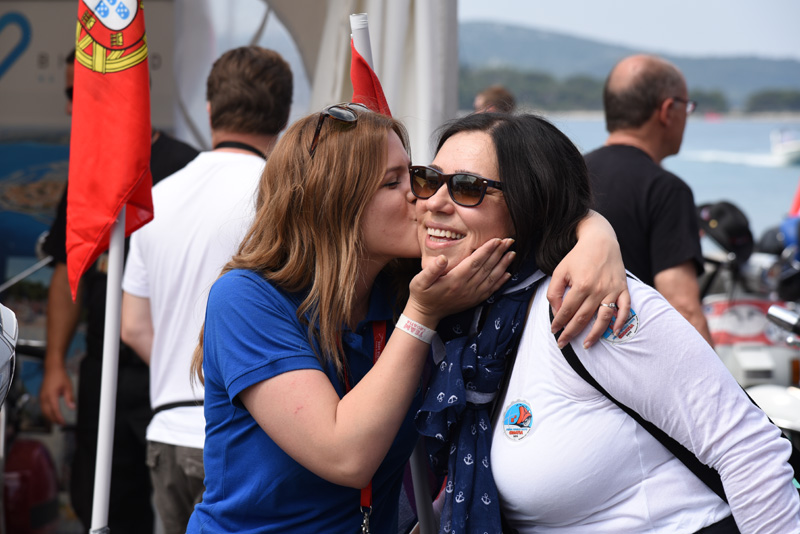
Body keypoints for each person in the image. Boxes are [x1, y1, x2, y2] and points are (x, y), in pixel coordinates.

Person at [185, 103, 630, 533]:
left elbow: (533, 212)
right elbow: (346, 455)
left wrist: (595, 236)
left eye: (414, 175)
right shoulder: (248, 298)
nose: (425, 198)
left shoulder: (401, 283)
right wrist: (421, 315)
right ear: (335, 202)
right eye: (395, 182)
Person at [413, 112, 800, 533]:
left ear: (528, 203)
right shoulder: (461, 324)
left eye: (467, 187)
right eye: (428, 180)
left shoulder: (587, 305)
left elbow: (749, 450)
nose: (433, 202)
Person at [119, 45, 292, 534]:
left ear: (210, 109)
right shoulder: (281, 198)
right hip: (254, 434)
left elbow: (133, 328)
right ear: (283, 117)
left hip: (168, 431)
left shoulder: (155, 198)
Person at [39, 50, 199, 534]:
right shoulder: (88, 173)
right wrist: (53, 365)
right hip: (103, 372)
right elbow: (72, 271)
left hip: (166, 371)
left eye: (77, 94)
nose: (70, 108)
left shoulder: (184, 167)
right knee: (99, 504)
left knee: (183, 509)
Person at [584, 54, 714, 346]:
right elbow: (683, 307)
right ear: (668, 110)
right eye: (687, 106)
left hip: (567, 356)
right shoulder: (666, 190)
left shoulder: (567, 174)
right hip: (632, 358)